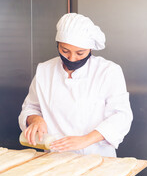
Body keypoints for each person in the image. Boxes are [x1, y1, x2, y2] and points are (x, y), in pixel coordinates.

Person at [18, 13, 133, 157]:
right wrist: (35, 120)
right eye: (65, 51)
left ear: (90, 49)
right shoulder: (44, 71)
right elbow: (31, 107)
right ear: (57, 45)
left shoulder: (108, 71)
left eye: (80, 53)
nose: (72, 58)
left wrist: (85, 140)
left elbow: (121, 116)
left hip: (97, 157)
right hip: (54, 158)